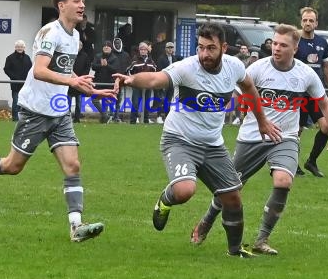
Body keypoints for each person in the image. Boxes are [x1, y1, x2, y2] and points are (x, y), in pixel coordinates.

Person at [0, 0, 117, 243]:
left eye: (83, 1)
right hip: (35, 111)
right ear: (62, 5)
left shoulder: (75, 36)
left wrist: (86, 88)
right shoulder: (50, 33)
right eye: (77, 1)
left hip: (58, 112)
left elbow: (62, 70)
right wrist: (71, 81)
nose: (82, 5)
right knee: (12, 166)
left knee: (73, 165)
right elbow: (40, 70)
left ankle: (76, 227)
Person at [112, 22, 282, 257]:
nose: (204, 54)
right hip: (179, 140)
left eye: (210, 48)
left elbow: (250, 88)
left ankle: (234, 252)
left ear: (224, 47)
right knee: (184, 190)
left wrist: (262, 121)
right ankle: (165, 200)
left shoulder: (234, 67)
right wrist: (132, 80)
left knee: (232, 197)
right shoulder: (186, 68)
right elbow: (155, 80)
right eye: (200, 47)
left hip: (213, 145)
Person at [190, 24, 328, 255]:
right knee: (230, 189)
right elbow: (233, 95)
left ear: (295, 47)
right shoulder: (257, 69)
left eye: (283, 45)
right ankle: (207, 220)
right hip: (252, 137)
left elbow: (324, 104)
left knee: (283, 181)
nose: (277, 48)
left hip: (285, 138)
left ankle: (262, 239)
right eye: (274, 43)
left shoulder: (305, 74)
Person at [294, 6, 328, 177]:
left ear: (316, 23)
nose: (307, 23)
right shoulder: (295, 41)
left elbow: (326, 66)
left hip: (315, 94)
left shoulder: (322, 42)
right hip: (298, 94)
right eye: (305, 20)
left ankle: (311, 161)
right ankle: (291, 163)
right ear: (301, 21)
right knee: (296, 131)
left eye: (311, 20)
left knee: (326, 127)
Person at [127, 41, 157, 124]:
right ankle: (133, 120)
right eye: (141, 49)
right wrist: (133, 80)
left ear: (147, 50)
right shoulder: (135, 60)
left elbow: (155, 73)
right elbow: (129, 71)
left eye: (144, 49)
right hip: (137, 86)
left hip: (148, 86)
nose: (143, 51)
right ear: (139, 50)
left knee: (146, 104)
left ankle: (146, 120)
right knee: (135, 103)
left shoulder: (151, 61)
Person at [3, 40, 32, 121]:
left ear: (24, 48)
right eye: (18, 46)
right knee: (16, 102)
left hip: (25, 85)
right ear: (15, 47)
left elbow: (30, 70)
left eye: (21, 46)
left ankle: (23, 119)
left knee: (25, 103)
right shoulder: (10, 58)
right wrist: (14, 77)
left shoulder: (27, 58)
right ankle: (15, 119)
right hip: (15, 85)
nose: (20, 48)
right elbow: (6, 69)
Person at [91, 41, 118, 123]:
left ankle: (104, 119)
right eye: (105, 46)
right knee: (94, 99)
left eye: (108, 46)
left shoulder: (114, 58)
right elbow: (93, 67)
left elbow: (115, 69)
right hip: (98, 82)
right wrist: (101, 65)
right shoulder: (98, 56)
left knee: (105, 102)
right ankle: (105, 116)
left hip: (109, 83)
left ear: (111, 48)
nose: (106, 47)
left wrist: (107, 65)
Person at [154, 41, 182, 123]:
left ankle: (166, 116)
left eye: (172, 47)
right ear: (165, 49)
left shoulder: (175, 58)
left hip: (172, 81)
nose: (170, 49)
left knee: (168, 100)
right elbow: (160, 70)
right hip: (163, 81)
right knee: (161, 100)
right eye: (168, 47)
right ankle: (159, 116)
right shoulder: (161, 58)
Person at [68, 41, 92, 123]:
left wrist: (82, 77)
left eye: (79, 45)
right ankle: (67, 119)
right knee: (68, 102)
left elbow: (87, 67)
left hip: (80, 82)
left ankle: (77, 119)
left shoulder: (85, 56)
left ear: (81, 46)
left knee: (79, 103)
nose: (77, 46)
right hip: (70, 82)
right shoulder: (70, 54)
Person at [111, 37, 131, 123]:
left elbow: (129, 67)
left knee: (119, 100)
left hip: (122, 81)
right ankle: (110, 116)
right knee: (111, 99)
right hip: (111, 80)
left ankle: (117, 116)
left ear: (121, 44)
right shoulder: (111, 54)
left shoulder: (126, 55)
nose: (117, 45)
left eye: (118, 43)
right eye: (115, 43)